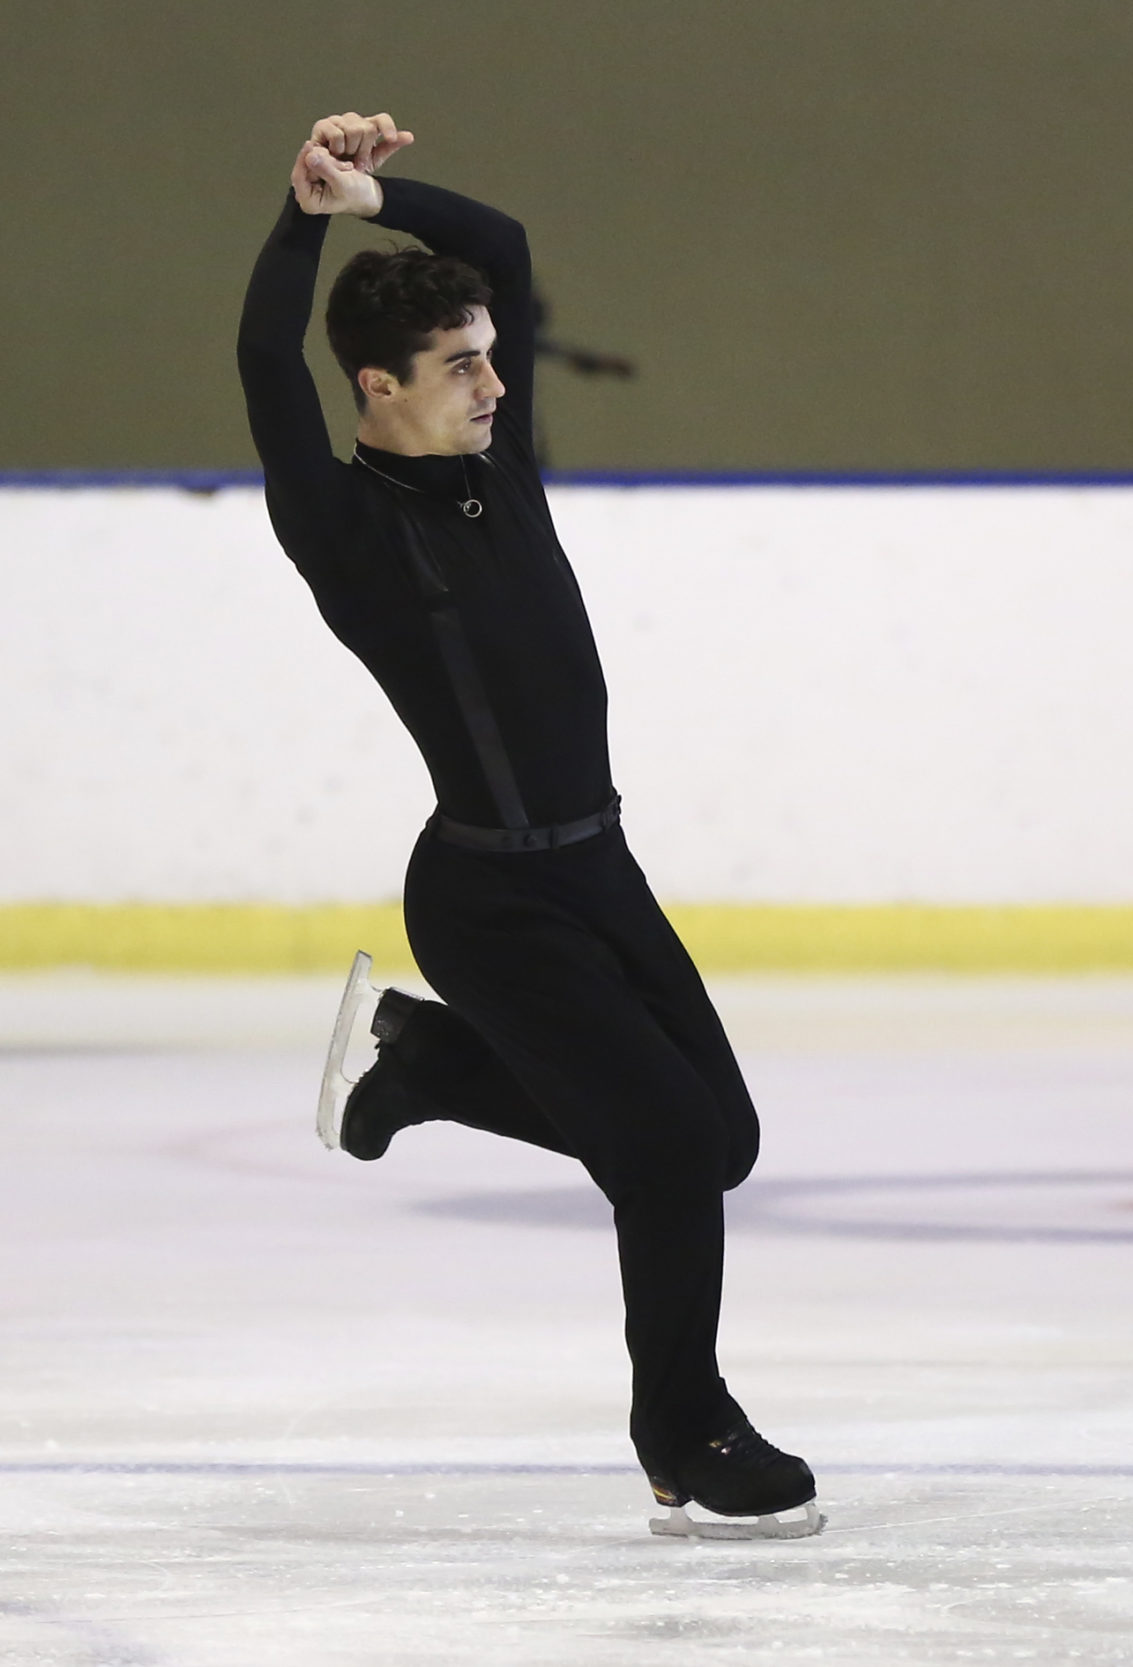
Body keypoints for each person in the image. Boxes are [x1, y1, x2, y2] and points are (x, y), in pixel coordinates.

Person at [237, 112, 820, 1540]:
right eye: (460, 367)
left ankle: (425, 1058)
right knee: (671, 1158)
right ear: (378, 388)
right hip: (491, 899)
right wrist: (305, 219)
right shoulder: (344, 527)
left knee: (717, 1142)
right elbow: (264, 360)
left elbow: (498, 249)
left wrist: (377, 192)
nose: (496, 383)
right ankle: (683, 1429)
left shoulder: (506, 465)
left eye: (493, 355)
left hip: (597, 864)